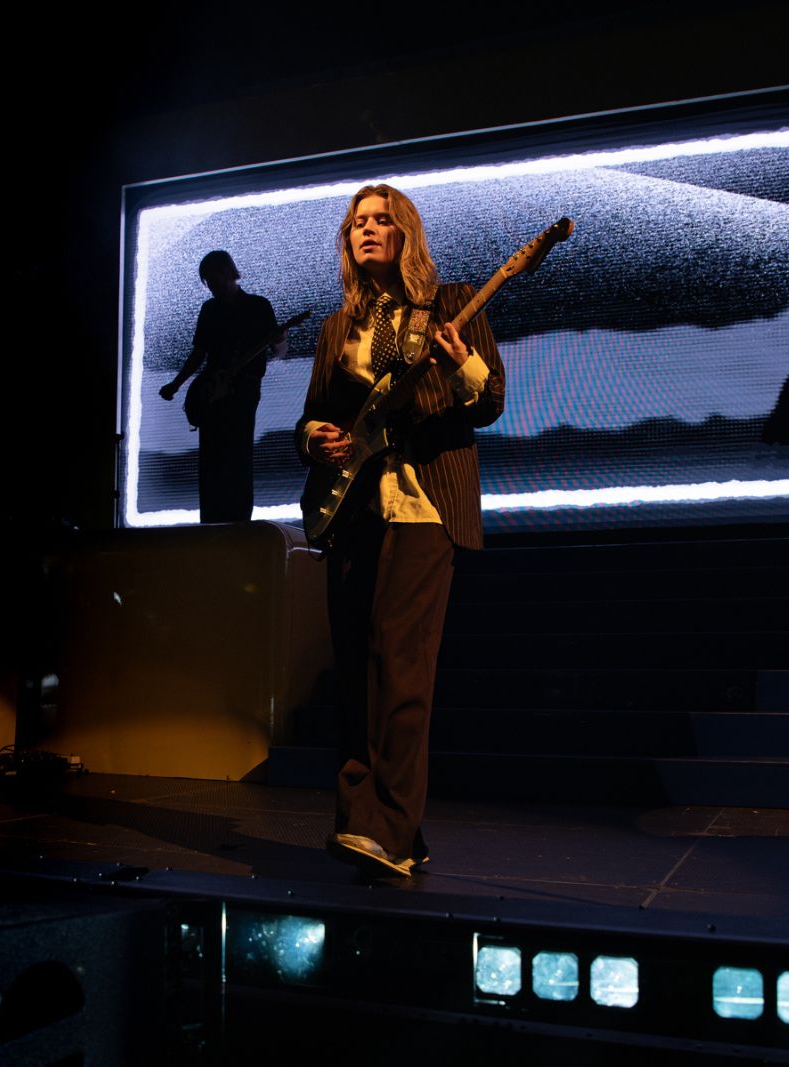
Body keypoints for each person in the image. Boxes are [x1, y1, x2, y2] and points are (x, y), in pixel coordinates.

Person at [297, 184, 505, 877]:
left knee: (400, 661)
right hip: (353, 511)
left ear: (406, 232)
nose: (368, 230)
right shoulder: (338, 328)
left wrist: (460, 362)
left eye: (382, 219)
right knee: (355, 665)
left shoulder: (453, 304)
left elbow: (491, 400)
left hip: (423, 507)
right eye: (358, 222)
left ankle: (392, 822)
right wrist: (315, 437)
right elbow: (314, 415)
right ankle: (371, 827)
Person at [159, 250, 286, 523]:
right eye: (207, 281)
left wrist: (278, 340)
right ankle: (212, 524)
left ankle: (239, 526)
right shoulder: (210, 310)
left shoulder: (258, 306)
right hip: (212, 395)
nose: (211, 285)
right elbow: (199, 354)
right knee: (212, 462)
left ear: (229, 272)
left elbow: (279, 350)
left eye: (214, 278)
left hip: (243, 395)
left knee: (238, 459)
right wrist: (177, 384)